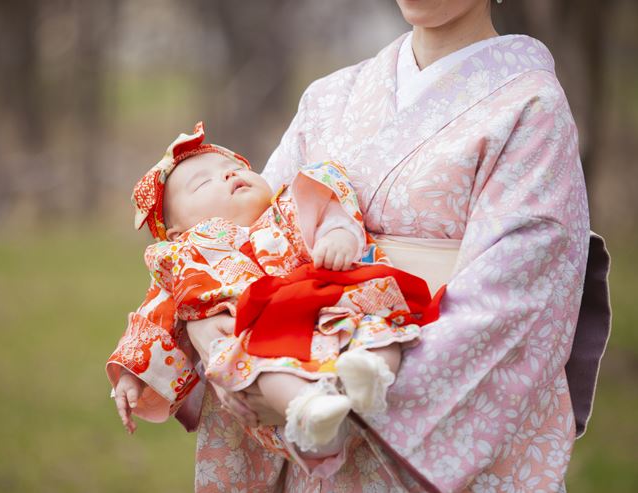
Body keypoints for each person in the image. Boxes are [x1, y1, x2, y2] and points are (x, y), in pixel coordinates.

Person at [183, 0, 610, 491]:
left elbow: (517, 298)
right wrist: (211, 326)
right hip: (295, 388)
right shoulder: (329, 97)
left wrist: (350, 393)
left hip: (401, 398)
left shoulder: (530, 106)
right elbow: (246, 234)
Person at [107, 122, 444, 455]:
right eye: (203, 183)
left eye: (235, 167)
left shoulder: (288, 209)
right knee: (260, 369)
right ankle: (310, 412)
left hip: (328, 311)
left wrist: (337, 236)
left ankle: (368, 380)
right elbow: (156, 316)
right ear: (178, 231)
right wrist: (130, 376)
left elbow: (330, 211)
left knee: (381, 333)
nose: (228, 175)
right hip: (261, 338)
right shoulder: (184, 257)